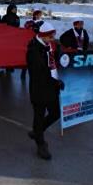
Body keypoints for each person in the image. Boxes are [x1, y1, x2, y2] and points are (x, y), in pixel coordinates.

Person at [26, 23, 64, 160]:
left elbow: (55, 62)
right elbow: (40, 73)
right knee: (39, 115)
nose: (52, 39)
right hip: (40, 89)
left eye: (53, 36)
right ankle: (40, 144)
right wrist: (55, 82)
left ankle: (37, 131)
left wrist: (61, 57)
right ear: (42, 36)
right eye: (50, 37)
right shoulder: (34, 50)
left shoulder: (50, 45)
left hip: (52, 87)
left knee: (55, 113)